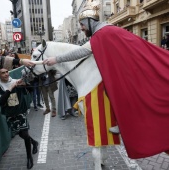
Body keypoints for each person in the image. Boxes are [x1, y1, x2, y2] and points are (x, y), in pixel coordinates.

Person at [43, 0, 169, 159]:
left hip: (129, 70)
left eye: (82, 24)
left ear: (89, 22)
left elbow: (81, 52)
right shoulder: (103, 32)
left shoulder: (102, 34)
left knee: (123, 94)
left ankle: (125, 126)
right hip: (125, 68)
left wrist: (57, 59)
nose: (81, 28)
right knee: (110, 92)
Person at [0, 67, 38, 169]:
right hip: (9, 115)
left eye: (7, 72)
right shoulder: (0, 87)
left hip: (20, 112)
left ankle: (29, 158)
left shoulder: (16, 81)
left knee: (25, 134)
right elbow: (2, 102)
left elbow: (31, 90)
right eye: (3, 73)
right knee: (20, 134)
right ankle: (34, 142)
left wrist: (25, 84)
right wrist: (10, 88)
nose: (6, 74)